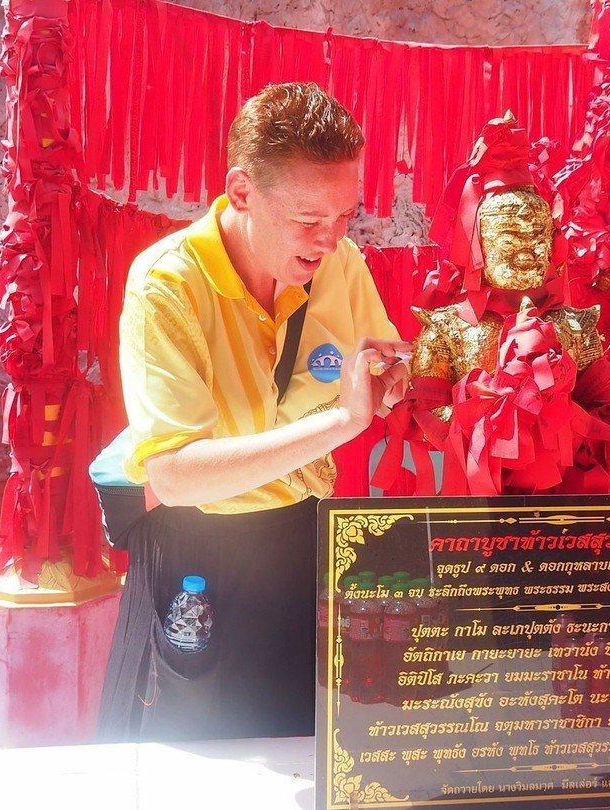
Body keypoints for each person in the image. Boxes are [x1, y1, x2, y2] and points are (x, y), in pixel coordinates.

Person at [97, 82, 409, 742]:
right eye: (309, 219)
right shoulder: (168, 284)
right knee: (194, 763)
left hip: (304, 540)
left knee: (305, 745)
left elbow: (378, 362)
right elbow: (175, 475)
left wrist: (390, 379)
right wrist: (341, 421)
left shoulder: (341, 263)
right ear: (242, 192)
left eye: (346, 216)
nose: (331, 240)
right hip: (198, 552)